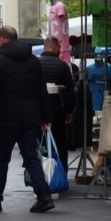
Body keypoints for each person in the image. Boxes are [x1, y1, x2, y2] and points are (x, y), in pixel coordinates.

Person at [0, 26, 55, 213]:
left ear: (2, 39)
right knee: (31, 157)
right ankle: (44, 196)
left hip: (8, 117)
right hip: (31, 117)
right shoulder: (33, 60)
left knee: (1, 159)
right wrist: (45, 117)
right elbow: (41, 91)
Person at [39, 37, 75, 173]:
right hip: (57, 110)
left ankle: (40, 175)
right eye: (59, 48)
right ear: (54, 48)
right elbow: (70, 92)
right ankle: (60, 173)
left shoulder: (35, 64)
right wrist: (69, 112)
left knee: (40, 143)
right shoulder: (62, 66)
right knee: (59, 143)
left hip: (38, 111)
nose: (60, 51)